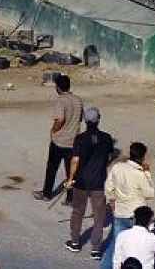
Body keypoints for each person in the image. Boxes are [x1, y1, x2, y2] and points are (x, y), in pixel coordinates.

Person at [63, 106, 115, 255]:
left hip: (81, 182)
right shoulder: (106, 138)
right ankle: (96, 249)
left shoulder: (80, 138)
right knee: (99, 216)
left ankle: (75, 242)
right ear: (98, 119)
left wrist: (70, 179)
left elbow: (75, 160)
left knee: (78, 212)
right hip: (98, 182)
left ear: (85, 121)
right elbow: (110, 157)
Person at [100, 142, 154, 269]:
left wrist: (112, 200)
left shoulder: (117, 167)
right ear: (143, 157)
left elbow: (108, 187)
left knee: (115, 245)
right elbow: (149, 193)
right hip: (137, 217)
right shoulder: (140, 173)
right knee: (139, 248)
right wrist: (147, 173)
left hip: (120, 212)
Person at [35, 74, 84, 201]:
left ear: (58, 88)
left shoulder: (60, 101)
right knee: (71, 171)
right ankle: (70, 198)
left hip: (60, 140)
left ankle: (46, 194)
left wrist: (54, 130)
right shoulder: (78, 100)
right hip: (74, 140)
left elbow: (60, 119)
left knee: (52, 168)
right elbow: (80, 119)